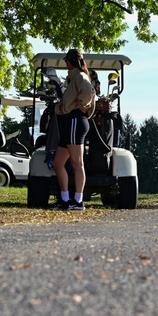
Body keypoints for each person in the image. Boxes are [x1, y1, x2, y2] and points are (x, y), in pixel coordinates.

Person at [52, 48, 96, 210]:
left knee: (77, 163)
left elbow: (89, 91)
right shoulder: (73, 78)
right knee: (58, 162)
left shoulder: (80, 76)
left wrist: (81, 105)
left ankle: (78, 201)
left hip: (76, 122)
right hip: (70, 122)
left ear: (70, 61)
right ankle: (65, 199)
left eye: (66, 61)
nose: (65, 63)